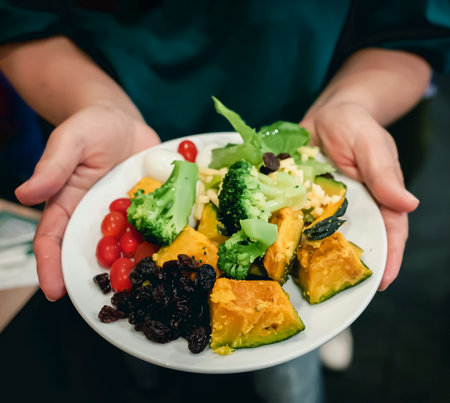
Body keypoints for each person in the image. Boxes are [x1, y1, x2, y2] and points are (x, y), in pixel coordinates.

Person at [1, 1, 449, 402]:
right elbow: (21, 21)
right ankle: (147, 378)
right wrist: (93, 103)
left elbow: (411, 30)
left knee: (291, 375)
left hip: (309, 113)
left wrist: (354, 103)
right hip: (123, 134)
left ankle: (316, 340)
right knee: (138, 346)